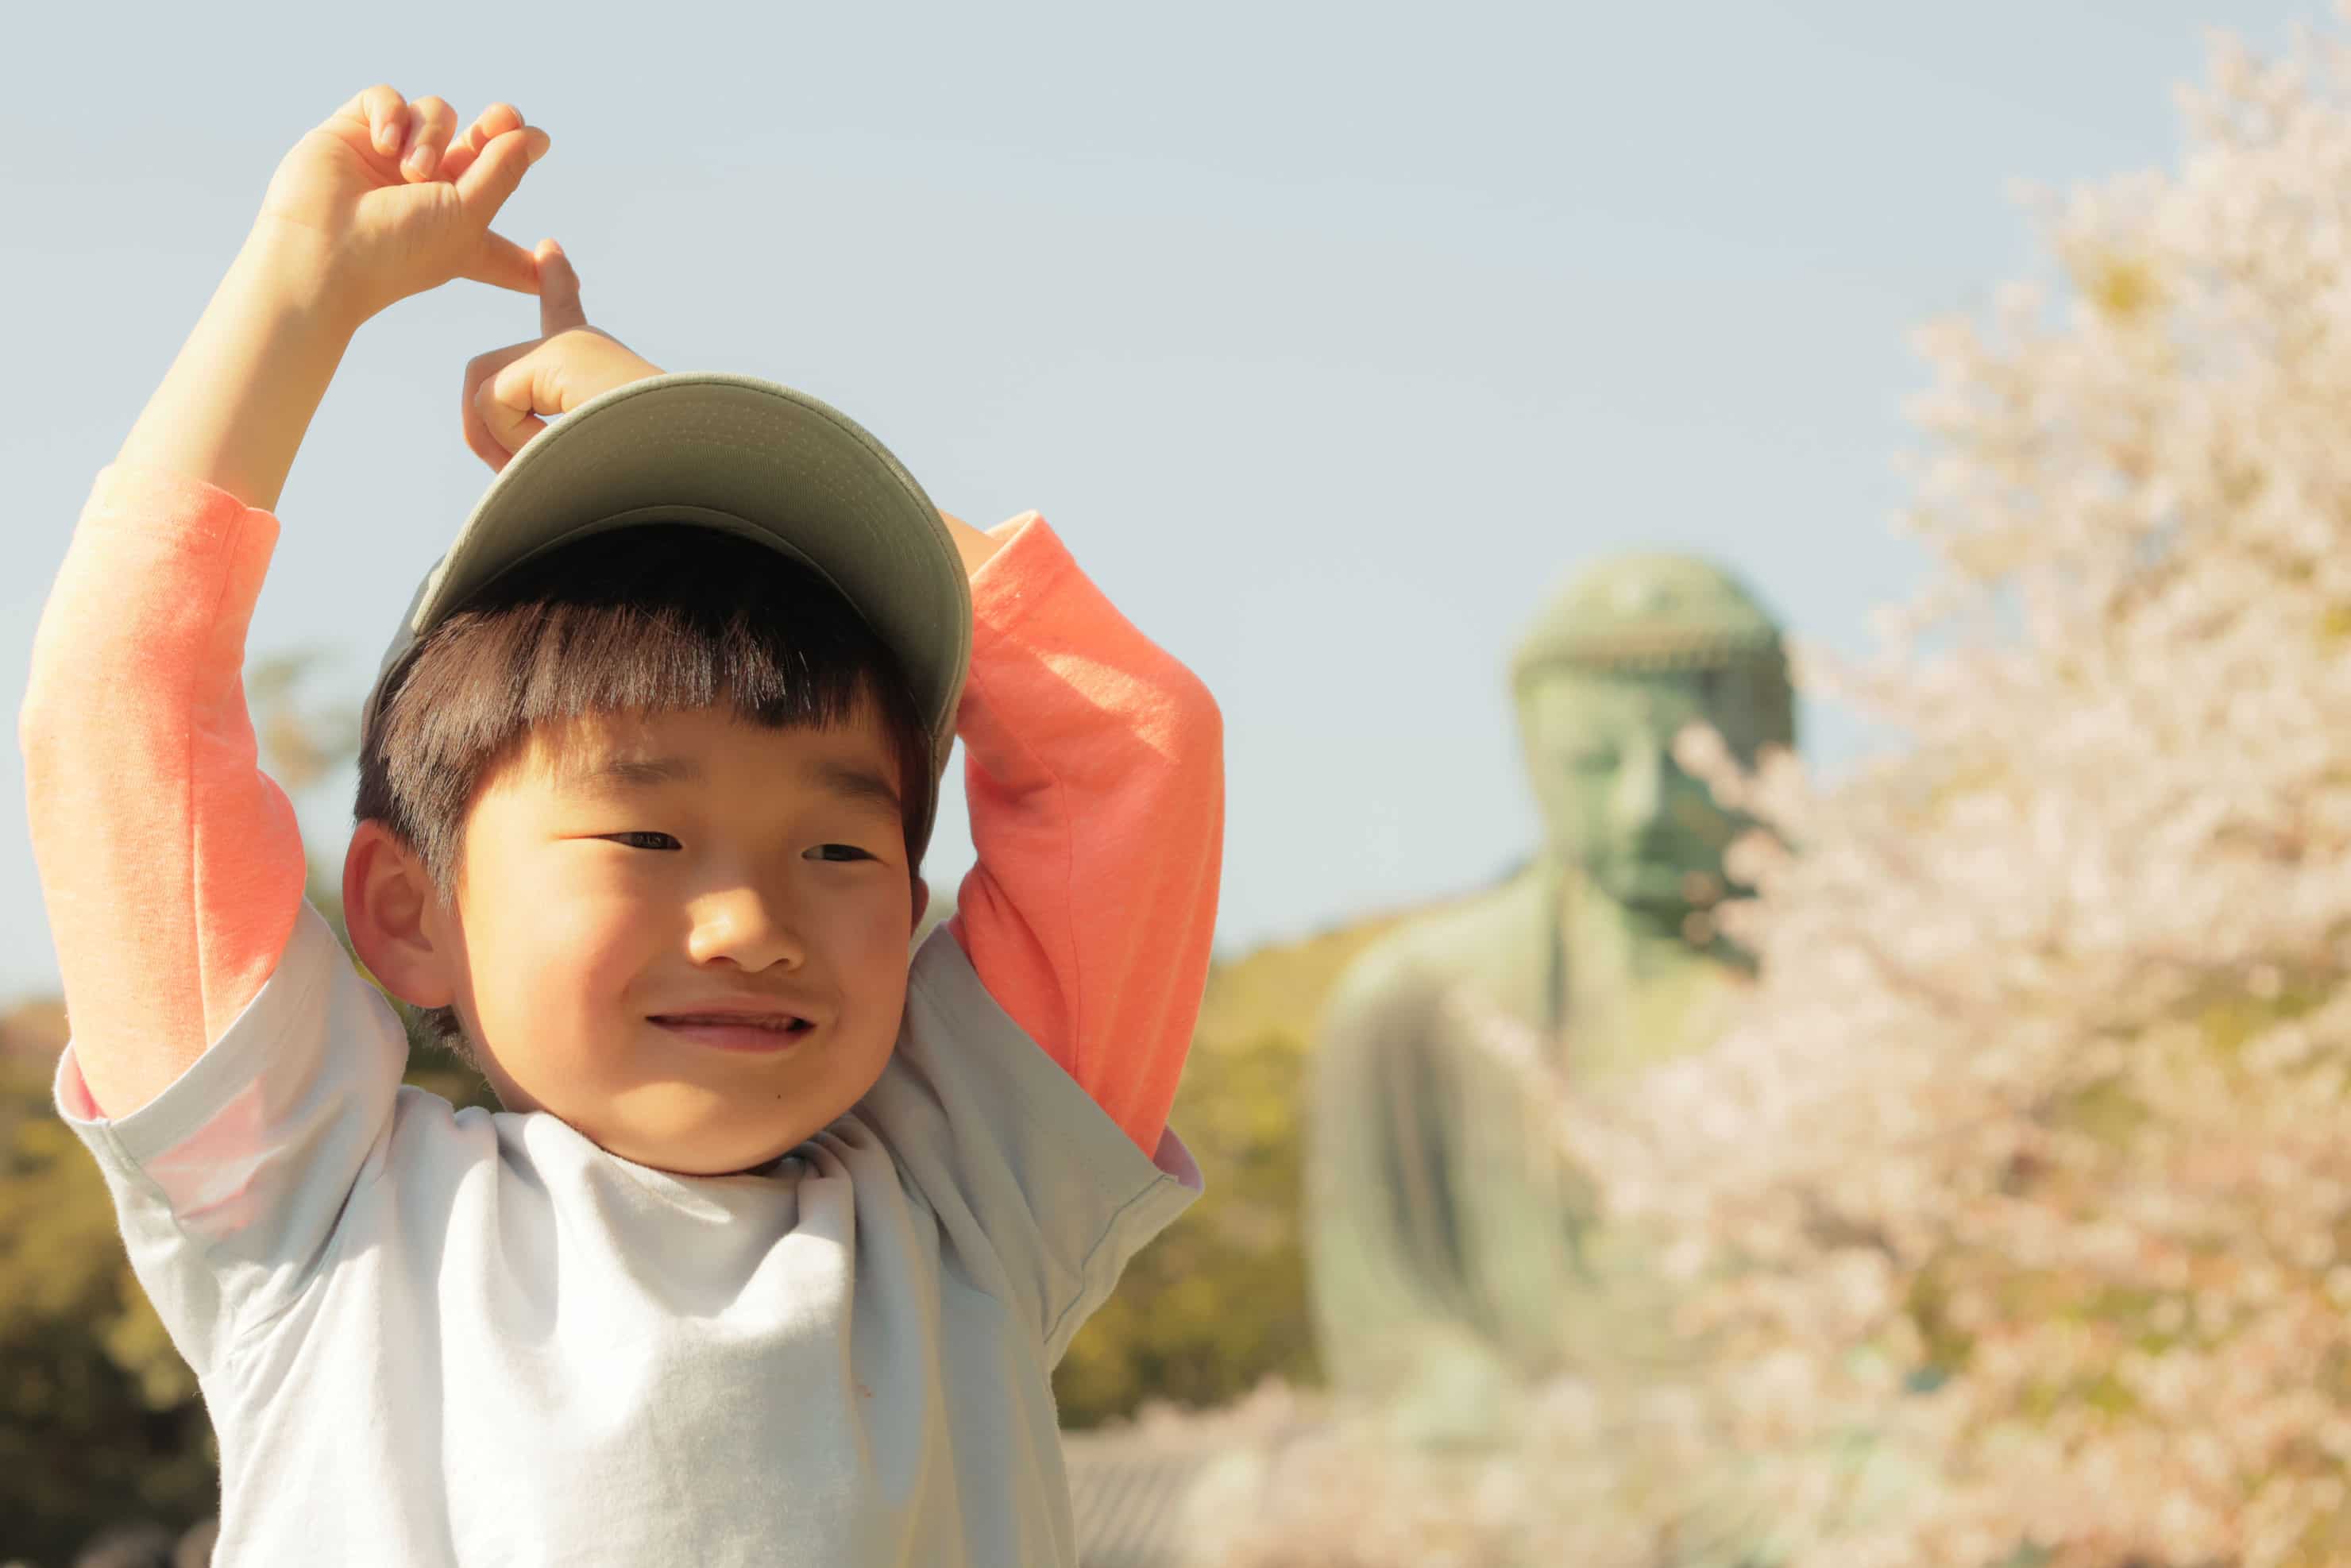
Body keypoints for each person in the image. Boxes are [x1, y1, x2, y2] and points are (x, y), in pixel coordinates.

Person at [21, 87, 1222, 1566]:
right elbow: (121, 715)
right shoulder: (325, 1210)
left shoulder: (970, 1207)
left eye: (840, 851)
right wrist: (295, 295)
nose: (754, 924)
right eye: (647, 840)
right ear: (406, 909)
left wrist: (675, 416)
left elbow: (1134, 749)